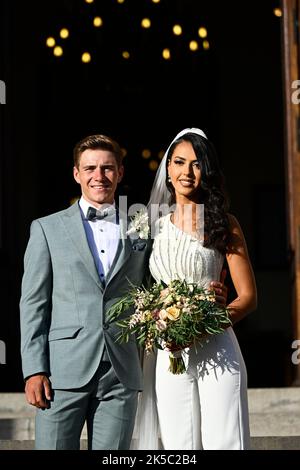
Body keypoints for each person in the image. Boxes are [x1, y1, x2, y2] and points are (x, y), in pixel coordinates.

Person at [19, 134, 153, 450]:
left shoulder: (142, 227)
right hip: (62, 372)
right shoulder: (46, 228)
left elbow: (150, 288)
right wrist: (34, 369)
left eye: (107, 168)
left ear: (120, 173)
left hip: (121, 370)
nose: (99, 176)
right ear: (77, 174)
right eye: (90, 168)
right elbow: (33, 303)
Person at [134, 127, 257, 450]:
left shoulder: (223, 222)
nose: (187, 172)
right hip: (168, 349)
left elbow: (247, 298)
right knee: (179, 444)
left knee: (225, 440)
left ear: (208, 171)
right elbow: (136, 288)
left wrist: (204, 326)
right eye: (179, 162)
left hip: (217, 346)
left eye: (197, 163)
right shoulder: (150, 226)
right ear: (168, 170)